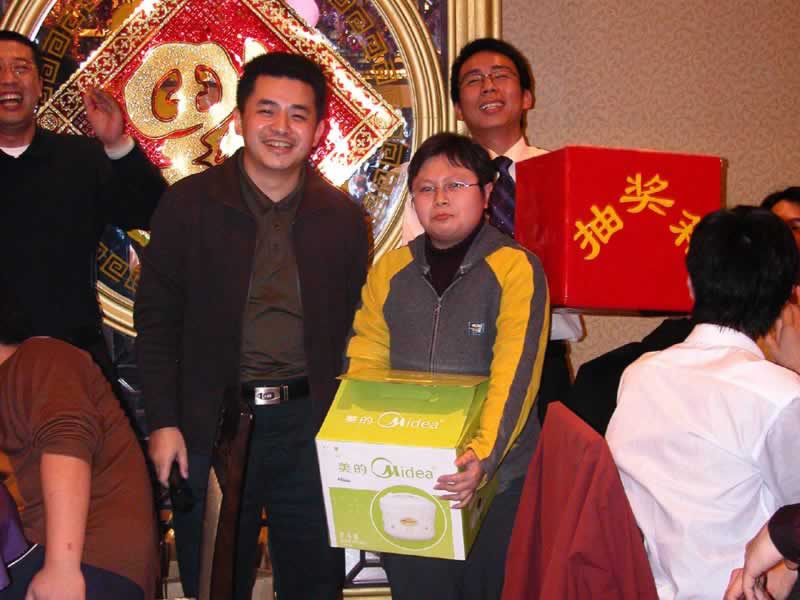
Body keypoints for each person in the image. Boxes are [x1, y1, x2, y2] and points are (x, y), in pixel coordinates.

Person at [135, 52, 369, 599]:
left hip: (310, 427)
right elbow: (157, 323)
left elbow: (357, 331)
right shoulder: (188, 205)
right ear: (239, 119)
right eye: (267, 110)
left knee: (316, 582)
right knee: (216, 580)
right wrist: (163, 422)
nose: (281, 127)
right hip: (214, 425)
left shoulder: (341, 218)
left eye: (298, 114)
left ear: (319, 129)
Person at [346, 132, 549, 600]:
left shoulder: (516, 268)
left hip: (494, 479)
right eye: (426, 188)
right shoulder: (390, 270)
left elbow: (516, 375)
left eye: (456, 184)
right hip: (408, 473)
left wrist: (483, 456)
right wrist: (364, 444)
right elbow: (366, 360)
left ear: (487, 192)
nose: (440, 198)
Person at [606, 206, 800, 599]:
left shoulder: (640, 374)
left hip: (645, 587)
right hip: (741, 589)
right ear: (785, 297)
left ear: (691, 284)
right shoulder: (779, 396)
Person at [404, 37, 581, 423]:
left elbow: (588, 266)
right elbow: (418, 267)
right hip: (458, 358)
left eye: (501, 76)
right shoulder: (431, 183)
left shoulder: (567, 177)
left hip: (543, 357)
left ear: (527, 97)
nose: (488, 86)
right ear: (457, 108)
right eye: (473, 80)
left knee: (544, 461)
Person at [0, 30, 165, 383]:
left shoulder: (80, 159)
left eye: (20, 68)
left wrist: (117, 145)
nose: (8, 79)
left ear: (40, 85)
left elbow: (153, 213)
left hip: (74, 360)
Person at [0, 285, 157, 600]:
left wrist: (61, 568)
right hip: (39, 554)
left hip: (89, 561)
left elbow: (66, 442)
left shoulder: (40, 358)